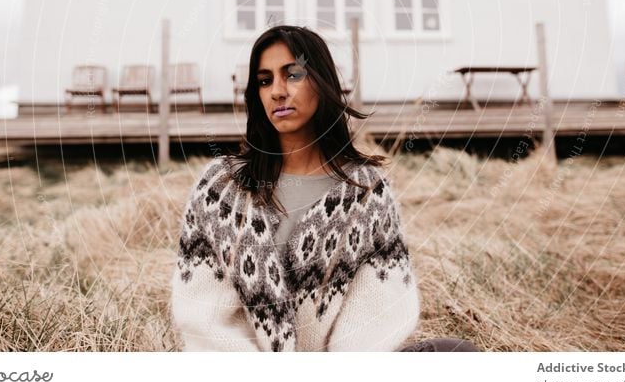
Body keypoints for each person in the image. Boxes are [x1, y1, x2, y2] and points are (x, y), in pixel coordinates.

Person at [170, 25, 478, 352]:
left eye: (293, 75)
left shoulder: (365, 189)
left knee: (459, 355)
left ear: (322, 80)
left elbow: (380, 308)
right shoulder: (221, 189)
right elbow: (203, 318)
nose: (277, 91)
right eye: (264, 80)